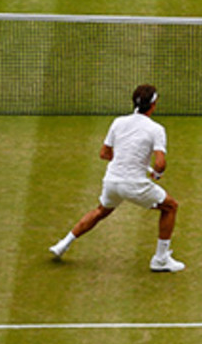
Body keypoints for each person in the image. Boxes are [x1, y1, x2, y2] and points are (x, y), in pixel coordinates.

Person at [49, 84, 185, 272]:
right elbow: (160, 163)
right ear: (153, 105)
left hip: (112, 182)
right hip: (134, 184)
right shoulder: (156, 129)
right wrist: (157, 173)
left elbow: (104, 153)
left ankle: (63, 244)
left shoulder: (118, 122)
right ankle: (160, 260)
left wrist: (126, 159)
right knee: (170, 207)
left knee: (100, 212)